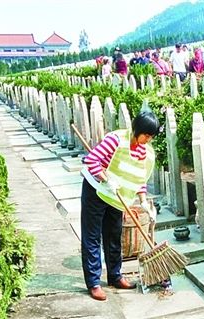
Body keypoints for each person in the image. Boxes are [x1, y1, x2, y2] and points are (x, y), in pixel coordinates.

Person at [80, 112, 159, 301]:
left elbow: (140, 178)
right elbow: (91, 160)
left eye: (151, 137)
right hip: (97, 191)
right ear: (137, 130)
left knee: (114, 236)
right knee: (92, 237)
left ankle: (115, 276)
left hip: (117, 198)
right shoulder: (115, 140)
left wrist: (143, 201)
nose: (148, 140)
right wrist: (106, 179)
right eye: (146, 135)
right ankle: (94, 283)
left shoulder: (146, 152)